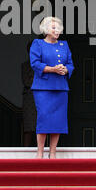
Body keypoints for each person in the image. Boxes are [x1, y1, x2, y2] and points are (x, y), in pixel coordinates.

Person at [29, 16, 75, 159]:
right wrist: (52, 69)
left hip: (60, 88)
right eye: (54, 28)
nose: (57, 31)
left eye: (59, 28)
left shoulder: (64, 45)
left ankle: (53, 152)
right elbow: (35, 63)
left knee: (58, 119)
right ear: (46, 29)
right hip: (43, 88)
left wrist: (65, 70)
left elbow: (70, 64)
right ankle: (40, 151)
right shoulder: (37, 44)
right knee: (44, 117)